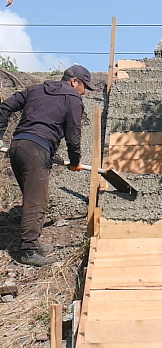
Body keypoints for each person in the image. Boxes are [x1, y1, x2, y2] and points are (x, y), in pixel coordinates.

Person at [0, 65, 94, 266]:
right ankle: (28, 251)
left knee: (31, 196)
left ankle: (31, 243)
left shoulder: (35, 89)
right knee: (37, 201)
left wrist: (0, 136)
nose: (84, 92)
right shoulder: (72, 98)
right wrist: (75, 161)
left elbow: (5, 106)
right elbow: (73, 135)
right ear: (74, 81)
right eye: (84, 86)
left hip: (17, 147)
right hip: (37, 150)